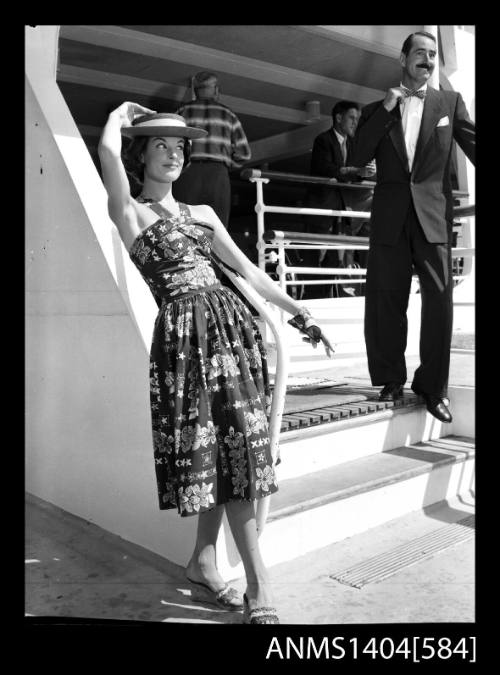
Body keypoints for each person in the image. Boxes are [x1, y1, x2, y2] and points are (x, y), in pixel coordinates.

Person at [98, 101, 333, 624]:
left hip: (233, 338)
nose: (173, 153)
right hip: (186, 345)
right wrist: (119, 116)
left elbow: (248, 269)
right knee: (227, 459)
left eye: (180, 145)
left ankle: (205, 561)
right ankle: (258, 583)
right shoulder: (130, 212)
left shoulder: (202, 215)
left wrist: (298, 313)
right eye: (160, 144)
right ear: (142, 156)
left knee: (234, 457)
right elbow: (107, 154)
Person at [352, 31, 475, 422]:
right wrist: (389, 107)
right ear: (403, 59)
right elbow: (356, 155)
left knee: (439, 303)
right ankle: (390, 379)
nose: (427, 59)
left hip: (433, 218)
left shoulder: (449, 103)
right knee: (386, 299)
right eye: (419, 53)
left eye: (433, 54)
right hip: (390, 217)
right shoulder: (375, 110)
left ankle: (432, 386)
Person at [304, 101, 375, 298]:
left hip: (345, 210)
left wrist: (366, 171)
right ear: (338, 118)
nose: (355, 123)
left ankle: (335, 299)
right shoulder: (323, 140)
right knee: (317, 258)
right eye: (352, 118)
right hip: (323, 209)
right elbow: (326, 168)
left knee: (338, 259)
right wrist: (357, 171)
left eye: (358, 119)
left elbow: (356, 170)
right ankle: (312, 302)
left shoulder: (353, 144)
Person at [173, 71, 251, 228]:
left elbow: (171, 145)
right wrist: (225, 164)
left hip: (187, 173)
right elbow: (244, 154)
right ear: (216, 90)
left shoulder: (182, 112)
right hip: (217, 175)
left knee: (182, 225)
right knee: (217, 228)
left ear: (195, 91)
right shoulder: (228, 114)